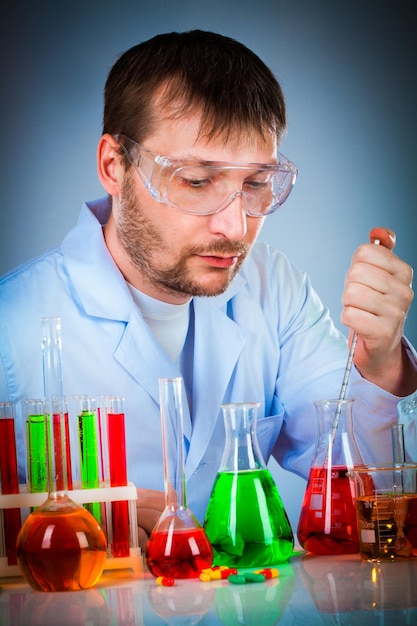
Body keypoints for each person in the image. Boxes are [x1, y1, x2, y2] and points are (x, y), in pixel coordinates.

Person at [0, 30, 416, 550]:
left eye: (256, 183)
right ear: (114, 165)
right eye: (197, 180)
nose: (234, 227)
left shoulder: (273, 288)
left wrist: (381, 366)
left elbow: (368, 492)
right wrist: (79, 524)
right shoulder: (11, 323)